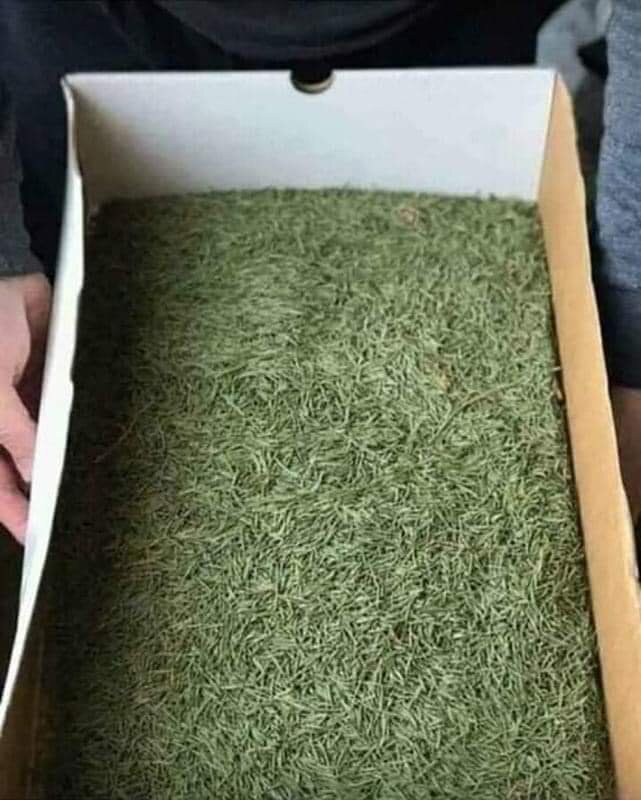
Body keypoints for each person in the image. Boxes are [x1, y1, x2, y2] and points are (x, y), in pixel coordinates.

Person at [0, 0, 638, 544]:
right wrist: (6, 255)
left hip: (448, 28)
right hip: (100, 28)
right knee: (75, 323)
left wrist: (632, 341)